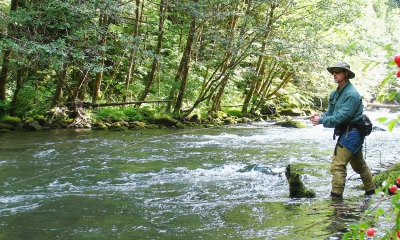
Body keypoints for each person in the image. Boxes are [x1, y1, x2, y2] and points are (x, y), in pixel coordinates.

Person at [310, 62, 375, 198]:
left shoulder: (351, 94)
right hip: (347, 132)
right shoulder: (335, 94)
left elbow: (341, 118)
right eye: (333, 72)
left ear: (346, 74)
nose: (334, 74)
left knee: (337, 165)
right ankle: (371, 193)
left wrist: (322, 121)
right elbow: (331, 113)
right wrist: (320, 116)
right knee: (359, 166)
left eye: (337, 71)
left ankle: (336, 199)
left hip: (353, 133)